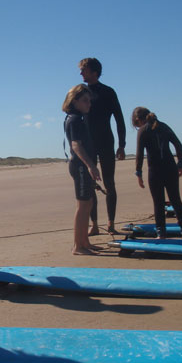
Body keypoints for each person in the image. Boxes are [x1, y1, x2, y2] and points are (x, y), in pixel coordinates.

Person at [78, 58, 126, 235]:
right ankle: (95, 225)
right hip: (88, 144)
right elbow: (73, 117)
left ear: (94, 72)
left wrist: (122, 145)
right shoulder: (80, 92)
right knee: (90, 184)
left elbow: (119, 119)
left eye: (84, 70)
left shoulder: (108, 92)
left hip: (106, 141)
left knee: (109, 183)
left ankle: (111, 223)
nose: (81, 73)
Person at [132, 107, 182, 239]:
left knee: (158, 202)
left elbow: (140, 154)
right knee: (175, 199)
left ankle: (161, 232)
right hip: (170, 168)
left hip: (155, 170)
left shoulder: (143, 130)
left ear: (138, 120)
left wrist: (139, 173)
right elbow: (178, 144)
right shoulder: (164, 126)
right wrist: (180, 163)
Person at [63, 84, 102, 255]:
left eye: (89, 101)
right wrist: (90, 166)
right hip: (80, 167)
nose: (89, 104)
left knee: (89, 203)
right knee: (82, 205)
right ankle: (77, 246)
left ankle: (85, 242)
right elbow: (76, 145)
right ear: (75, 101)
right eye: (85, 101)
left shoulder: (80, 118)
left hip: (84, 167)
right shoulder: (73, 119)